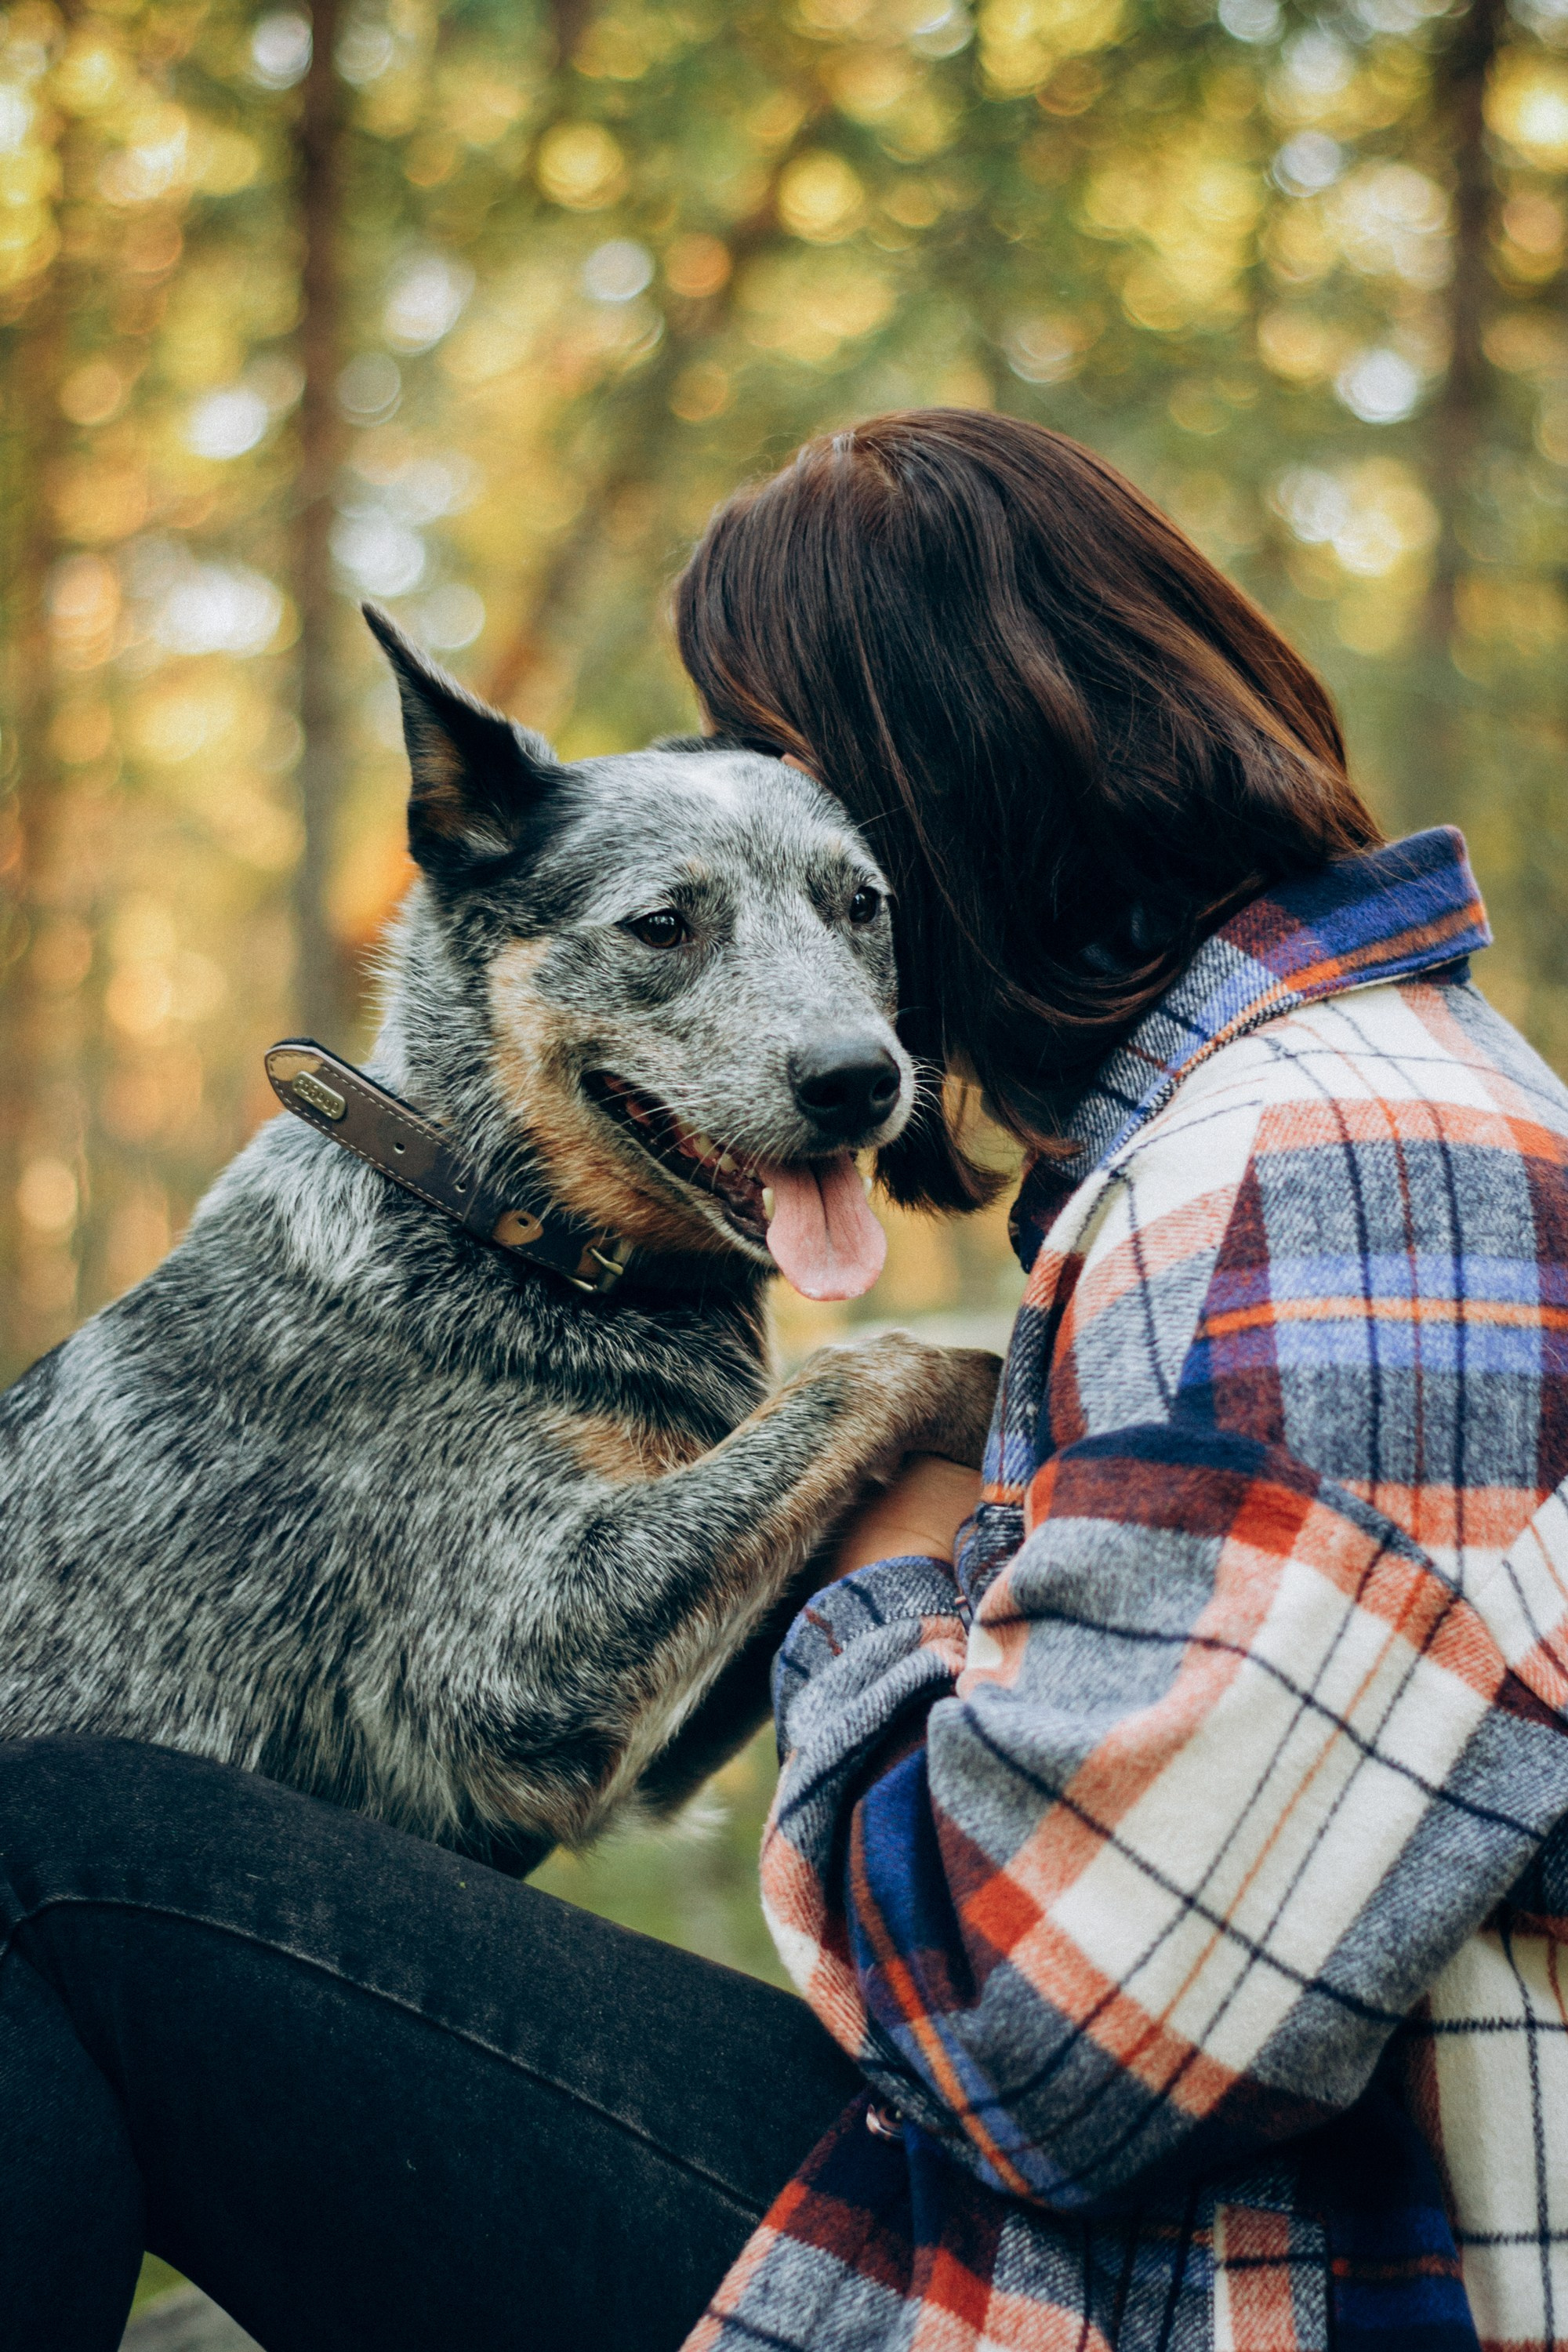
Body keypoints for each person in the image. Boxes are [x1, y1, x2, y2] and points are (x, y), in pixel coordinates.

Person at [4, 409, 1566, 2352]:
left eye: (823, 835)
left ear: (946, 783)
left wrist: (887, 1495)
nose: (817, 969)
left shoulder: (1335, 1171)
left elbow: (1047, 2038)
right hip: (1091, 2230)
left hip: (1102, 2290)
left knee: (47, 1856)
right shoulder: (1273, 1143)